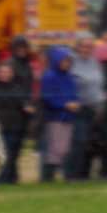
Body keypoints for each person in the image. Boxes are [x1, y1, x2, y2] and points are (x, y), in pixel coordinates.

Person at [0, 60, 34, 184]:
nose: (4, 74)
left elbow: (24, 103)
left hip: (16, 126)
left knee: (13, 154)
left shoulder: (18, 88)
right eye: (1, 72)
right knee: (3, 154)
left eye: (7, 72)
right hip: (0, 126)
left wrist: (27, 108)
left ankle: (11, 178)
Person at [66, 36, 106, 179]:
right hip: (78, 108)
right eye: (83, 46)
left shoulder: (95, 62)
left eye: (90, 47)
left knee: (92, 143)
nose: (86, 49)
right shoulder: (72, 63)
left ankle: (85, 174)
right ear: (77, 47)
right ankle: (72, 175)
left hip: (96, 108)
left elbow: (99, 85)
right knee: (78, 142)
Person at [38, 45, 79, 182]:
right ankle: (48, 177)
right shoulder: (49, 76)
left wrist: (76, 102)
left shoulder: (69, 77)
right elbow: (48, 97)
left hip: (68, 117)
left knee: (64, 148)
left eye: (69, 61)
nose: (67, 64)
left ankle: (62, 176)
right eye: (64, 61)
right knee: (54, 149)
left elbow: (74, 94)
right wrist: (65, 104)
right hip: (55, 117)